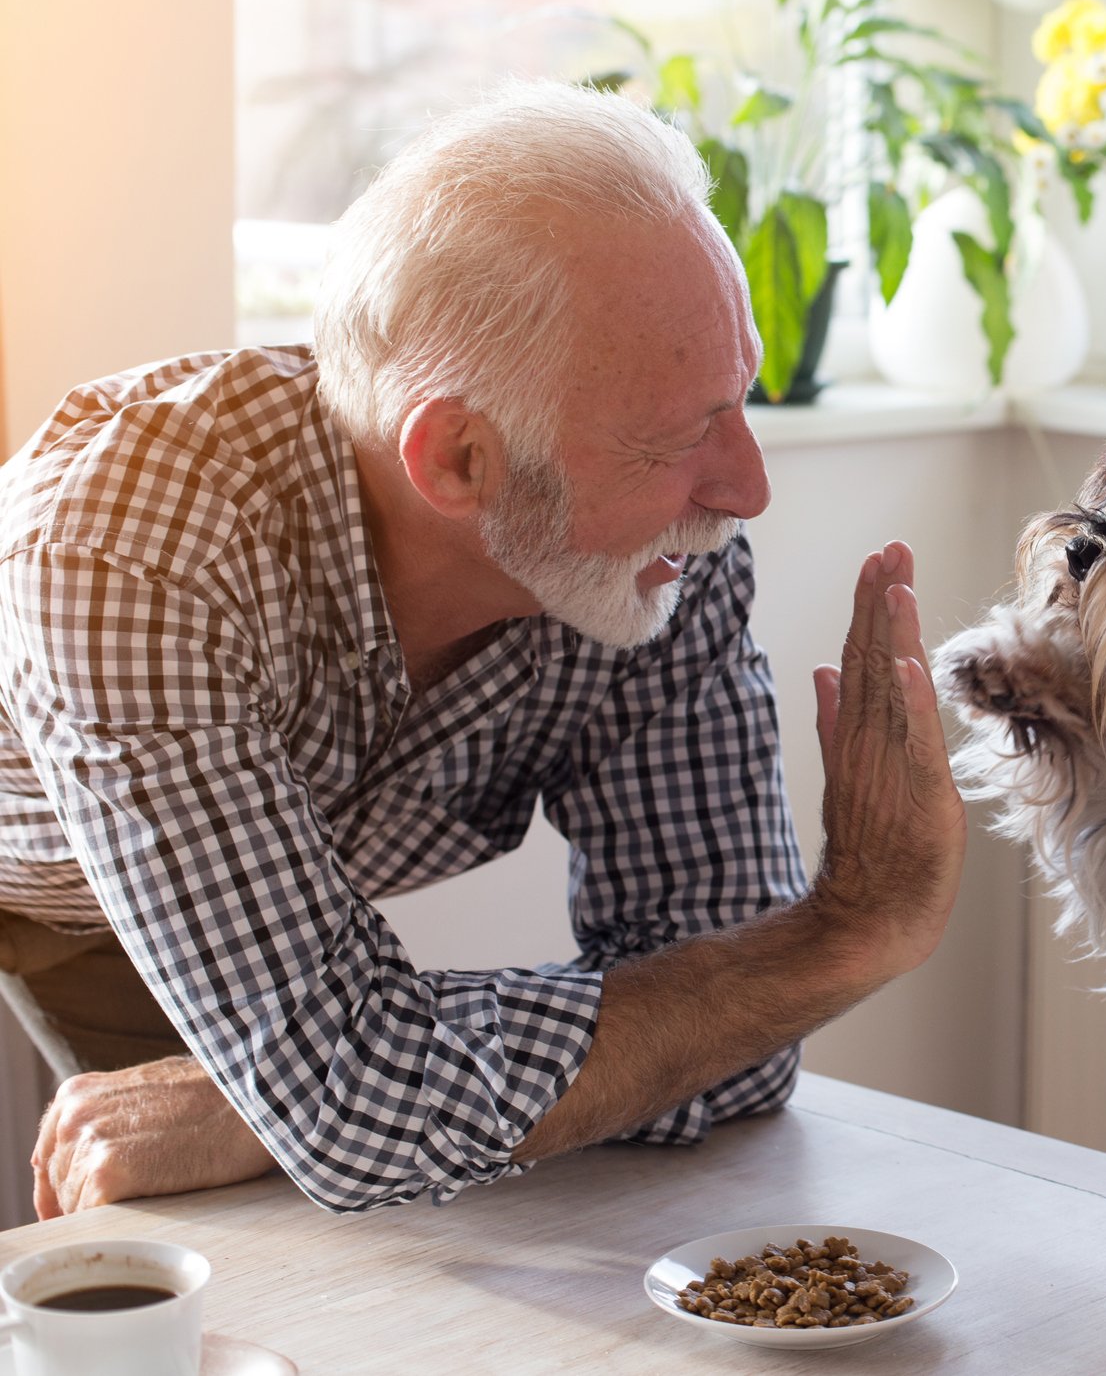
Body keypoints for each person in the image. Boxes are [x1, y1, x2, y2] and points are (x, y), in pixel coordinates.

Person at [0, 81, 966, 1218]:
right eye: (678, 435)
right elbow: (361, 1111)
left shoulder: (656, 558)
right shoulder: (130, 546)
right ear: (457, 461)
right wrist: (854, 929)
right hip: (41, 884)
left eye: (738, 398)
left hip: (257, 886)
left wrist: (324, 1089)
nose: (745, 488)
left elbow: (741, 1045)